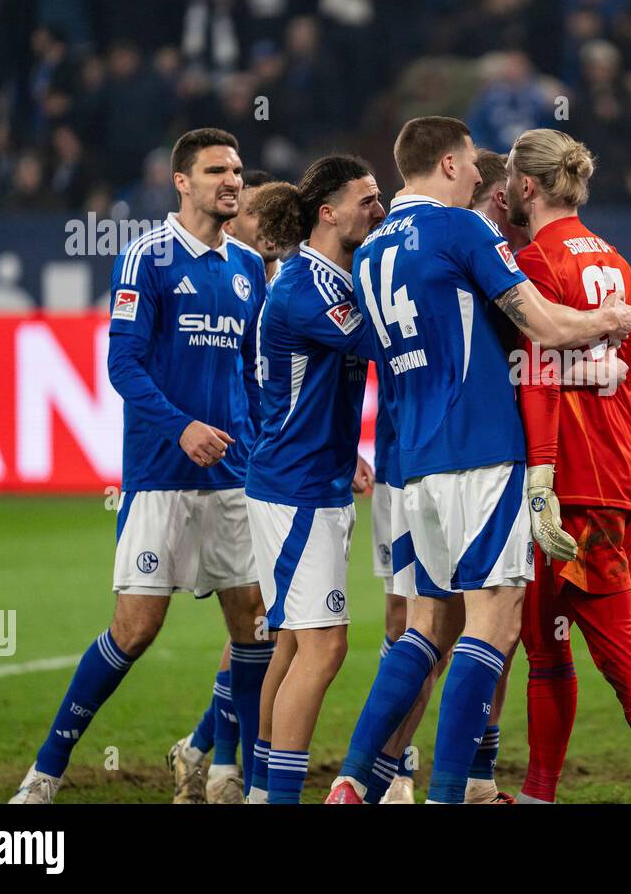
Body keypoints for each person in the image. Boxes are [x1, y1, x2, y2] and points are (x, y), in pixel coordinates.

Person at [329, 116, 631, 804]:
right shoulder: (463, 229)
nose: (480, 178)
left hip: (413, 461)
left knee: (427, 624)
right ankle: (448, 793)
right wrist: (607, 321)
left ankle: (355, 778)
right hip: (479, 450)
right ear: (445, 164)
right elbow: (546, 325)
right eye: (471, 165)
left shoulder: (372, 250)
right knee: (494, 625)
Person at [11, 128, 271, 803]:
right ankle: (46, 771)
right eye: (216, 169)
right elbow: (122, 363)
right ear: (181, 181)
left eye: (237, 170)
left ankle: (226, 773)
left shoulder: (247, 267)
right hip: (160, 473)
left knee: (252, 621)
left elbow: (253, 372)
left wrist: (261, 441)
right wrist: (183, 428)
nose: (231, 181)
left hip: (232, 478)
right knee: (135, 629)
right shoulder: (146, 259)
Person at [508, 128, 631, 804]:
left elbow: (536, 370)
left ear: (527, 186)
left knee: (615, 650)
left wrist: (547, 476)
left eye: (510, 177)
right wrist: (615, 436)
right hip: (614, 472)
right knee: (546, 639)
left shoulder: (536, 262)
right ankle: (538, 795)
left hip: (567, 485)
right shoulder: (619, 264)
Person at [240, 156, 386, 803]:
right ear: (328, 213)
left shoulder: (326, 279)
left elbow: (321, 384)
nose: (378, 210)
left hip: (305, 475)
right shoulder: (307, 289)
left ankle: (258, 788)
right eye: (368, 200)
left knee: (293, 646)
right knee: (324, 649)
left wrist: (343, 448)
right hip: (296, 491)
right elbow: (376, 343)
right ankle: (279, 798)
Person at [170, 166, 280, 805]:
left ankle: (205, 754)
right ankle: (225, 769)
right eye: (258, 213)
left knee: (260, 621)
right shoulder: (228, 282)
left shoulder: (266, 285)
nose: (268, 226)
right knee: (259, 620)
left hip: (268, 465)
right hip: (234, 469)